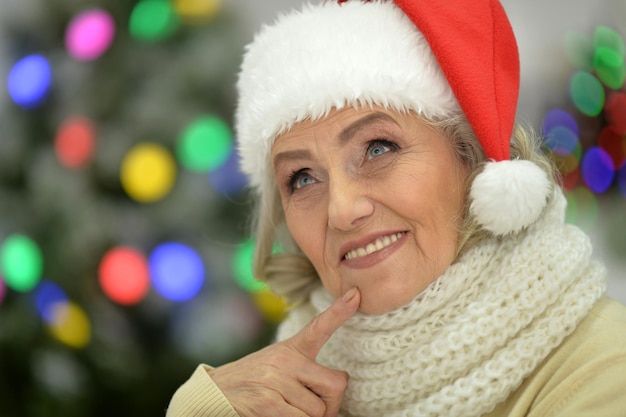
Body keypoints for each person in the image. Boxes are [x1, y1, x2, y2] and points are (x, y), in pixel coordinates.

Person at [166, 0, 626, 416]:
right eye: (302, 179)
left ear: (471, 158)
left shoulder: (602, 365)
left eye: (378, 148)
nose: (342, 211)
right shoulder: (279, 389)